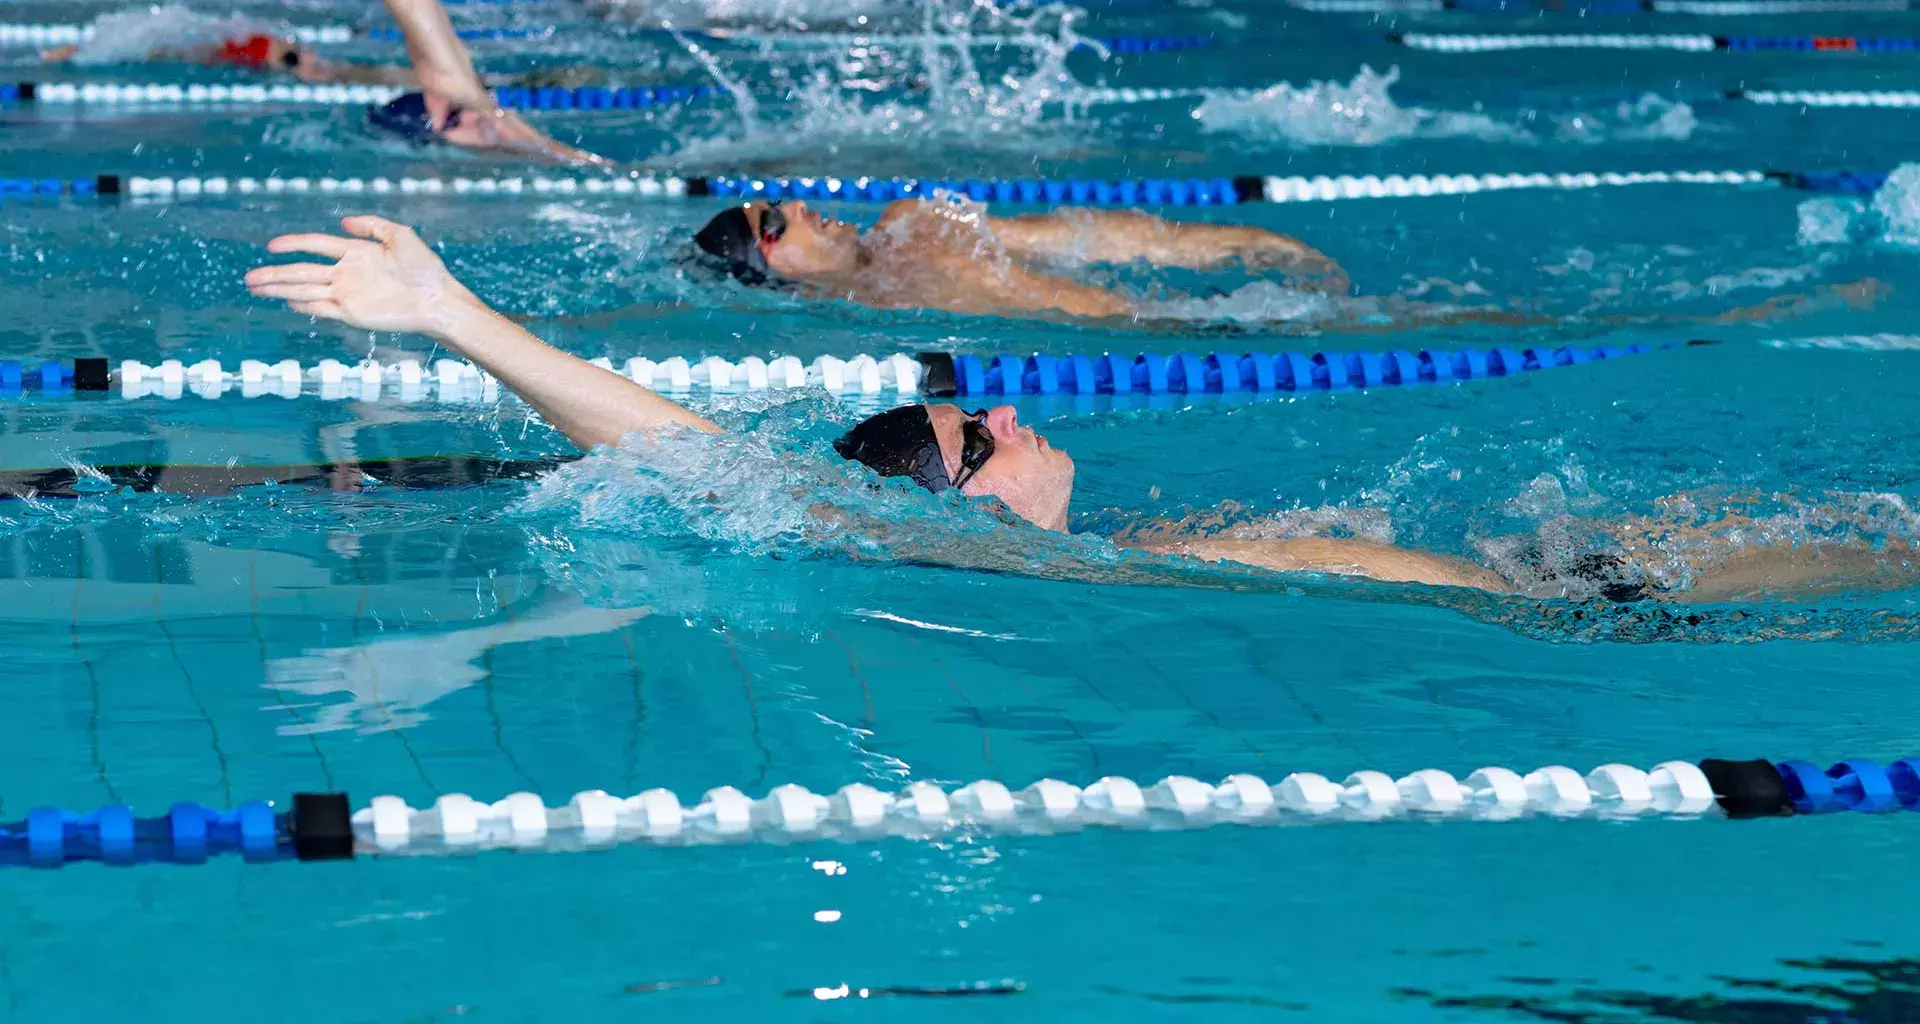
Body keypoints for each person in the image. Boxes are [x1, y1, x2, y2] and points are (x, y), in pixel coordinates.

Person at [242, 214, 1918, 604]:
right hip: (1588, 613)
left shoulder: (1099, 546)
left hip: (1561, 577)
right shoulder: (969, 559)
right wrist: (461, 314)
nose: (1021, 419)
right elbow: (679, 440)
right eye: (992, 433)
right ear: (950, 492)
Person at [690, 194, 1349, 321]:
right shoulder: (866, 320)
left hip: (1210, 314)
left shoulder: (915, 220)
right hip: (1178, 338)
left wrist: (1249, 242)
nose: (800, 206)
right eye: (775, 221)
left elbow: (1088, 236)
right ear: (767, 268)